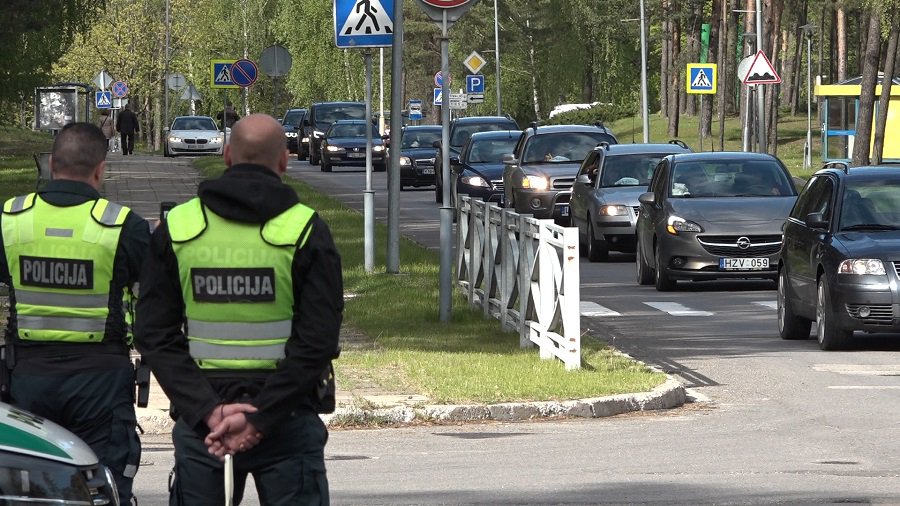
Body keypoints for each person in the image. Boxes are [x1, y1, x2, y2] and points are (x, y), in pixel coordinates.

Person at [134, 113, 343, 505]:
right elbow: (318, 341)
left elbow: (153, 334)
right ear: (284, 160)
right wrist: (260, 419)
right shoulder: (306, 230)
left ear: (227, 155)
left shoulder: (178, 227)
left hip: (204, 427)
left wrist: (209, 412)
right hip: (287, 418)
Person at [0, 122, 149, 503]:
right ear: (100, 169)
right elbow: (155, 288)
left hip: (27, 379)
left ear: (51, 165)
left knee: (31, 490)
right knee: (103, 484)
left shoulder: (10, 220)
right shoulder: (121, 225)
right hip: (100, 383)